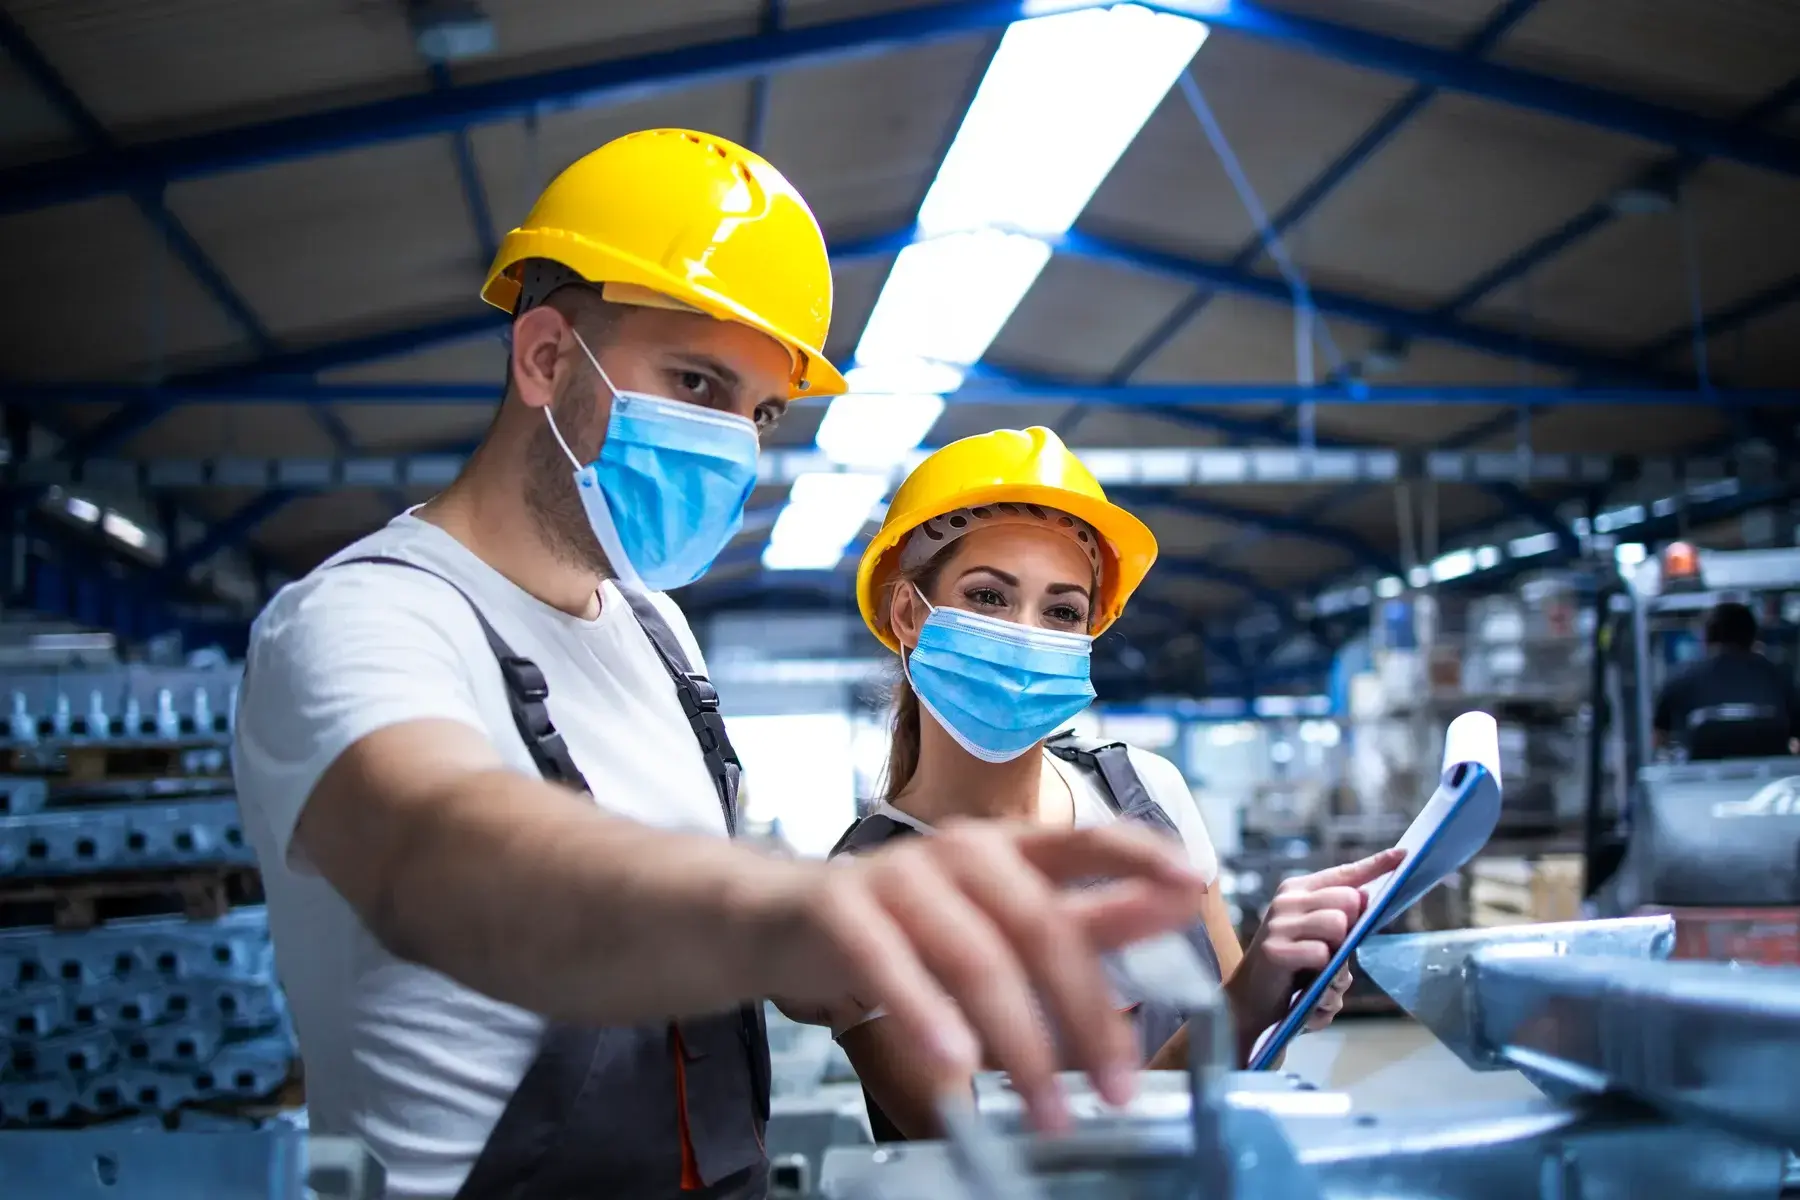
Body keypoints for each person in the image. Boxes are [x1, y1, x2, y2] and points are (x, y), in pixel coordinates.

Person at [231, 131, 1213, 1200]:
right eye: (695, 382)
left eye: (759, 412)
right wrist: (787, 915)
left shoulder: (656, 637)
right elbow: (447, 848)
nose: (733, 445)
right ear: (545, 356)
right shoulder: (364, 620)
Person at [825, 427, 1404, 1141]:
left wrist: (1282, 990)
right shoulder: (863, 894)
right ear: (910, 615)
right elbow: (1013, 1165)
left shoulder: (1147, 794)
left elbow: (1248, 1060)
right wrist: (1243, 1005)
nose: (1027, 635)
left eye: (1062, 611)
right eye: (988, 597)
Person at [1653, 600, 1800, 760]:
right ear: (1753, 637)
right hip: (1772, 773)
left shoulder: (1681, 679)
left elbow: (1658, 738)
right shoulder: (1780, 677)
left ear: (1706, 638)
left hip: (1698, 774)